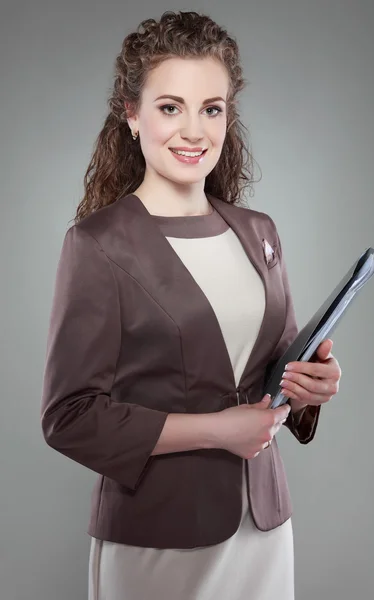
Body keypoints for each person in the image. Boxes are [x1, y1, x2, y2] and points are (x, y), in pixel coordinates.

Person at [40, 10, 341, 600]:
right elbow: (69, 416)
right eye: (170, 106)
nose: (194, 131)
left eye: (212, 108)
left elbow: (273, 372)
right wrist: (215, 431)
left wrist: (314, 383)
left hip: (263, 527)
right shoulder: (98, 244)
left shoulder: (260, 233)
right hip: (158, 535)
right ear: (131, 113)